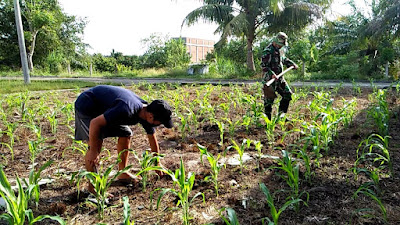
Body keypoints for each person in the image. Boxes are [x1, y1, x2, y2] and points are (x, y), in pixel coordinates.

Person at [74, 85, 173, 194]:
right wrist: (93, 150)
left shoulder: (145, 112)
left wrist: (156, 163)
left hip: (105, 108)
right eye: (160, 123)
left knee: (126, 133)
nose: (159, 125)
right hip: (87, 105)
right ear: (151, 116)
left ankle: (122, 173)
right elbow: (95, 123)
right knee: (95, 145)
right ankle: (93, 189)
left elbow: (152, 137)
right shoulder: (127, 109)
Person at [261, 32, 298, 120]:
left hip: (280, 79)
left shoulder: (280, 50)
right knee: (269, 101)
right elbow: (264, 66)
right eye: (280, 44)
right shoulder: (268, 51)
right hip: (269, 80)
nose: (281, 46)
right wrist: (272, 74)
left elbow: (283, 59)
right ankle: (268, 120)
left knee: (287, 95)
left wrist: (291, 64)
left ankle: (281, 116)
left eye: (282, 45)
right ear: (275, 42)